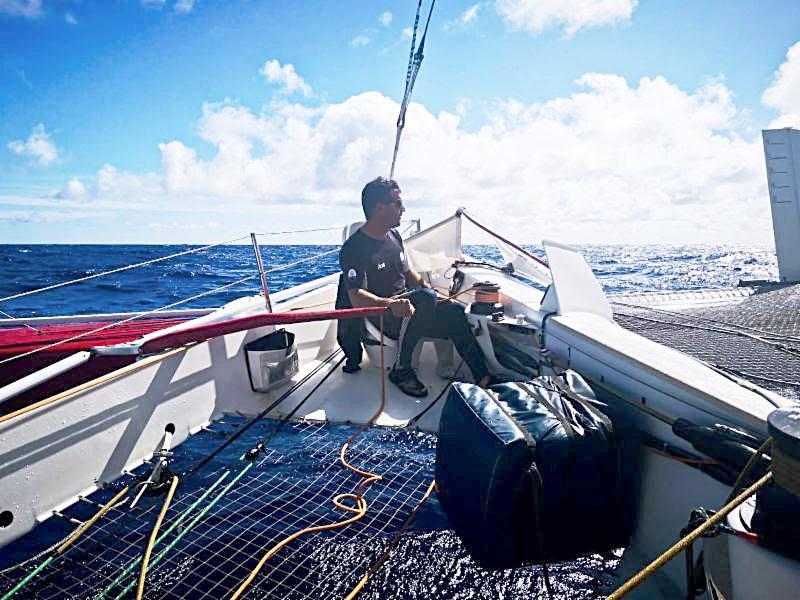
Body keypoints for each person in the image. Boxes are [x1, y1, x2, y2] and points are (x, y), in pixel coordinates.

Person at [339, 176, 491, 397]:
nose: (403, 209)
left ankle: (483, 377)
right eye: (398, 204)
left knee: (455, 311)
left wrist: (432, 291)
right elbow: (355, 297)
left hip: (412, 310)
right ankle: (401, 369)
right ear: (380, 208)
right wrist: (392, 304)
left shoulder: (394, 236)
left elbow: (407, 273)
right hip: (385, 315)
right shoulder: (354, 248)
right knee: (424, 298)